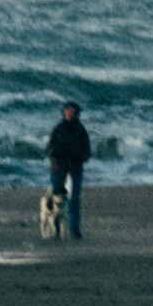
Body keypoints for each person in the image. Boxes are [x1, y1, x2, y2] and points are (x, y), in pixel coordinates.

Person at [43, 101, 92, 241]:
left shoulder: (81, 131)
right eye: (67, 110)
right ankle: (55, 229)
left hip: (74, 171)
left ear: (77, 113)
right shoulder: (58, 129)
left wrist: (75, 155)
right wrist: (58, 154)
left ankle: (74, 231)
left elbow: (87, 152)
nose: (70, 113)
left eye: (72, 111)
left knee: (73, 201)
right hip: (58, 169)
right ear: (63, 112)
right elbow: (49, 149)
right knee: (56, 201)